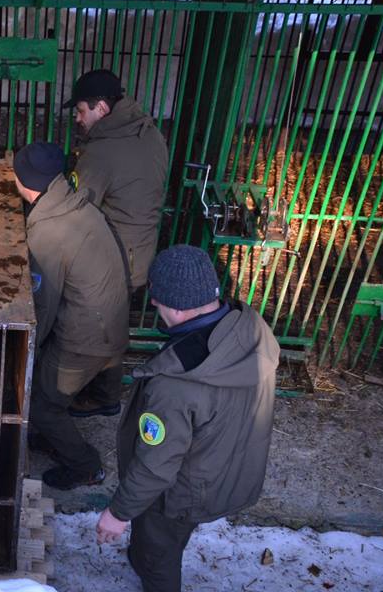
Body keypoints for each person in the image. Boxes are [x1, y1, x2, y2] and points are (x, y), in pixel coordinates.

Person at [95, 245, 278, 592]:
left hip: (180, 495)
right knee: (166, 539)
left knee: (159, 555)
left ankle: (148, 563)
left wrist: (117, 514)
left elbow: (156, 465)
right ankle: (142, 554)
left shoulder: (175, 388)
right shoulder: (249, 328)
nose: (153, 305)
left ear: (178, 308)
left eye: (158, 300)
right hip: (226, 470)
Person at [12, 142, 130, 490]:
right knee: (49, 388)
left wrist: (24, 352)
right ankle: (55, 438)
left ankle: (85, 466)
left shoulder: (48, 232)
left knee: (40, 403)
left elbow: (42, 308)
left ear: (26, 182)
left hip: (87, 340)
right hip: (110, 324)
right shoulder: (76, 204)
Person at [65, 69, 169, 418]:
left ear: (102, 109)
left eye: (81, 111)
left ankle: (88, 393)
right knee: (113, 324)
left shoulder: (103, 152)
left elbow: (77, 207)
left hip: (111, 260)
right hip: (139, 255)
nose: (77, 119)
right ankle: (105, 394)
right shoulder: (149, 132)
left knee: (90, 326)